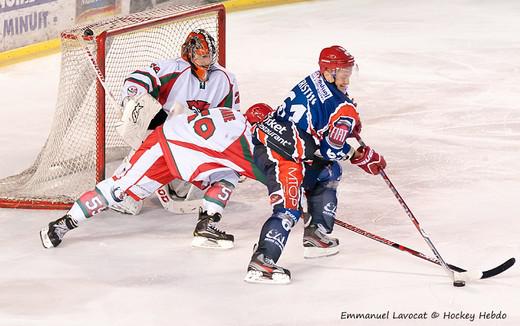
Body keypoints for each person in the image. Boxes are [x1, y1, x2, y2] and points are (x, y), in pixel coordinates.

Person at [244, 46, 386, 284]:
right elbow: (331, 148)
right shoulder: (343, 108)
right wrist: (358, 154)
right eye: (342, 72)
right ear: (328, 71)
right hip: (283, 157)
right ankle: (262, 263)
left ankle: (315, 234)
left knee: (329, 171)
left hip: (274, 143)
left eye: (349, 71)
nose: (347, 77)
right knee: (288, 210)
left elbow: (318, 127)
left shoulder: (313, 78)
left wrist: (342, 124)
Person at [40, 107, 265, 250]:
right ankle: (62, 224)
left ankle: (205, 227)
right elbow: (265, 173)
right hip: (163, 149)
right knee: (118, 190)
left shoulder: (233, 115)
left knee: (228, 174)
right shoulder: (243, 139)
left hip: (179, 149)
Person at [113, 28, 241, 248]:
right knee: (128, 202)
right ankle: (124, 183)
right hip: (161, 134)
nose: (206, 60)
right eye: (201, 55)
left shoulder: (226, 79)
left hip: (194, 140)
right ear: (189, 54)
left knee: (186, 190)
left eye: (209, 55)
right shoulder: (171, 69)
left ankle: (171, 181)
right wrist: (134, 102)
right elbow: (135, 81)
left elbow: (230, 117)